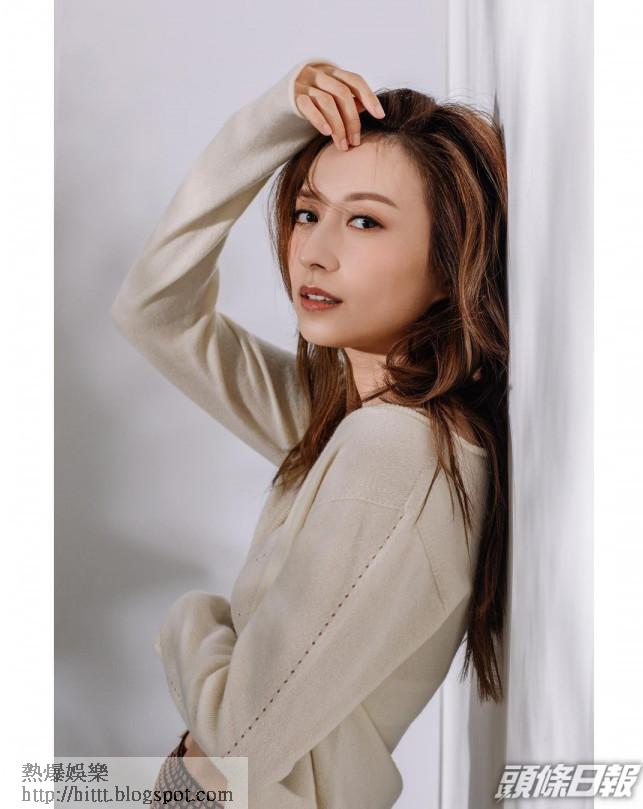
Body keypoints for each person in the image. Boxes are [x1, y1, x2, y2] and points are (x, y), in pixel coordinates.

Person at [111, 56, 509, 809]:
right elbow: (154, 312)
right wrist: (274, 120)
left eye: (365, 221)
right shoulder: (341, 420)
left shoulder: (396, 452)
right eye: (306, 212)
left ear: (448, 264)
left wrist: (186, 621)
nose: (315, 253)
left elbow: (238, 741)